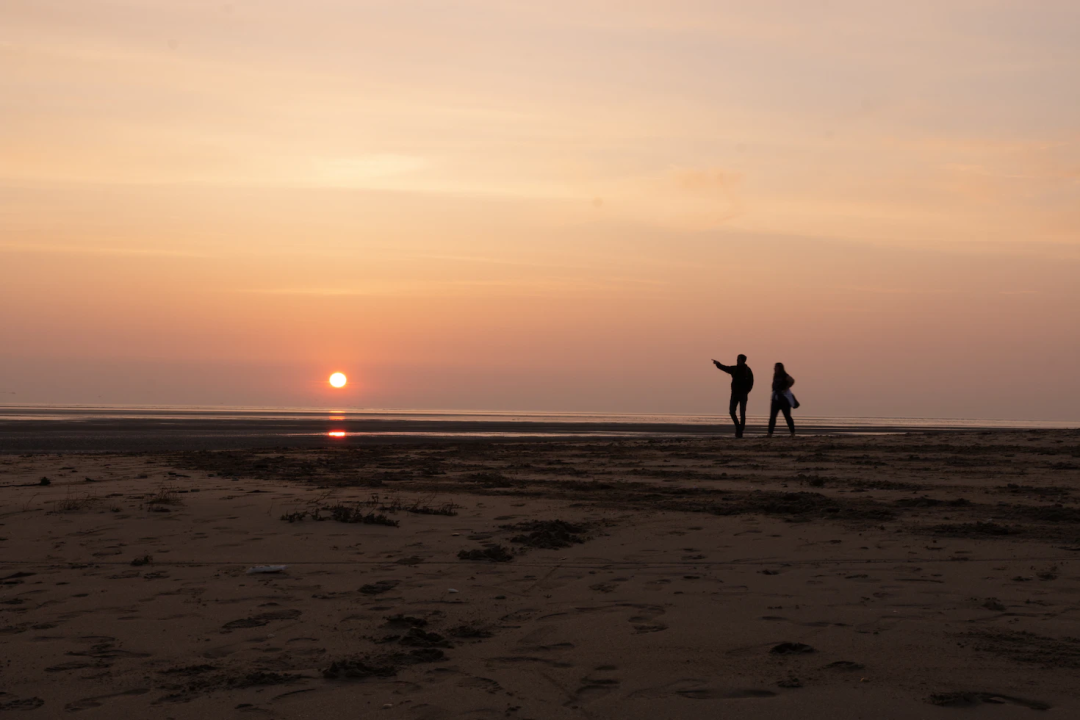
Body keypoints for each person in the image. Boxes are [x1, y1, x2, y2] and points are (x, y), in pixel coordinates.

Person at [712, 355, 754, 437]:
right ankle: (738, 428)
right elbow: (725, 368)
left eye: (738, 359)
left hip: (743, 395)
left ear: (742, 360)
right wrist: (718, 364)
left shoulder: (747, 370)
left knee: (742, 413)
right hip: (734, 394)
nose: (737, 360)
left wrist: (746, 391)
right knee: (732, 412)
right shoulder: (735, 369)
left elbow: (751, 382)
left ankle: (740, 431)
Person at [768, 362, 797, 437]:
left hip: (784, 399)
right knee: (772, 417)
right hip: (775, 398)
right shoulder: (775, 375)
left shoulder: (784, 375)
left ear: (779, 368)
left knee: (787, 416)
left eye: (776, 367)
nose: (774, 368)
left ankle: (792, 433)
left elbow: (792, 380)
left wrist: (786, 388)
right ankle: (770, 433)